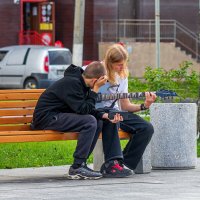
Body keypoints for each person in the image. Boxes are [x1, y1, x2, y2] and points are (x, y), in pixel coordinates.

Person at [31, 61, 122, 180]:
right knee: (89, 121)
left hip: (58, 115)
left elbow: (86, 109)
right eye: (102, 82)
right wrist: (95, 90)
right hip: (46, 118)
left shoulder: (81, 83)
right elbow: (83, 110)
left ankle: (81, 164)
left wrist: (105, 116)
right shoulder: (72, 83)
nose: (102, 84)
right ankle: (77, 166)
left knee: (97, 121)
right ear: (96, 80)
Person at [96, 43, 157, 177]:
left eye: (124, 63)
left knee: (146, 128)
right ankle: (112, 165)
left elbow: (125, 106)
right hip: (97, 113)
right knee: (113, 120)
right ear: (109, 62)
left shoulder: (122, 75)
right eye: (118, 64)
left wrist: (144, 105)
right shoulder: (96, 70)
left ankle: (123, 164)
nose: (122, 67)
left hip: (116, 111)